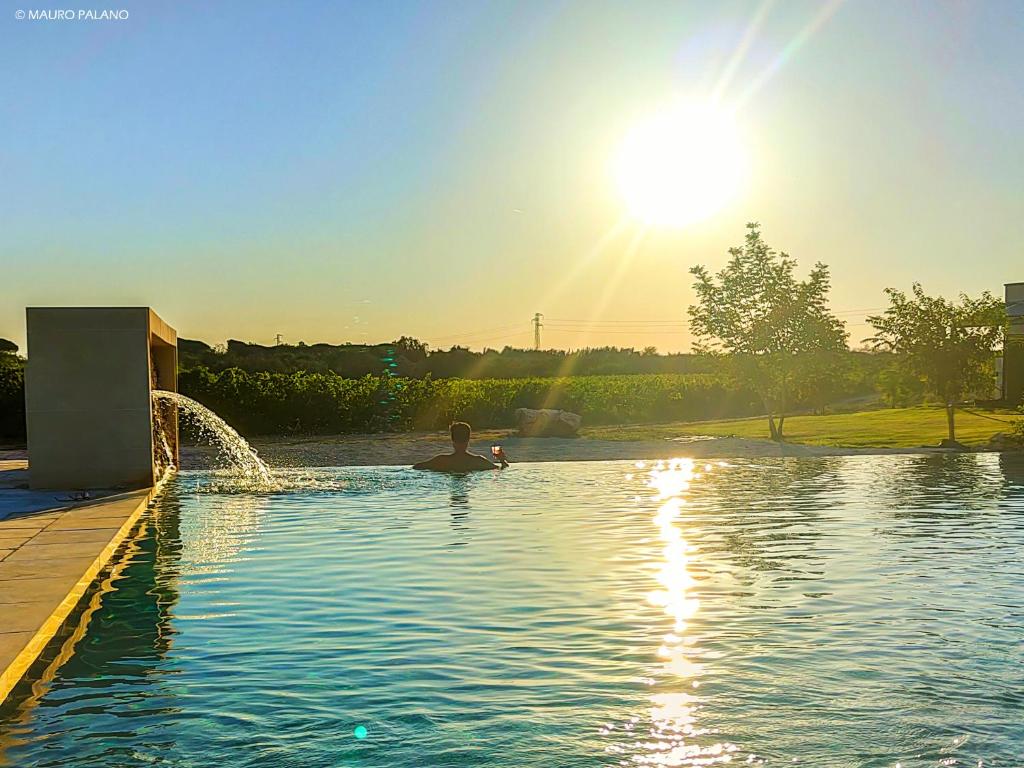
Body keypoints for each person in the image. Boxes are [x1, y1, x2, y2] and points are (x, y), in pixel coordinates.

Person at [413, 422, 509, 472]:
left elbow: (416, 467)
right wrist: (502, 459)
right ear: (468, 440)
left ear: (452, 440)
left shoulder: (441, 460)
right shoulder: (478, 461)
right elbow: (500, 469)